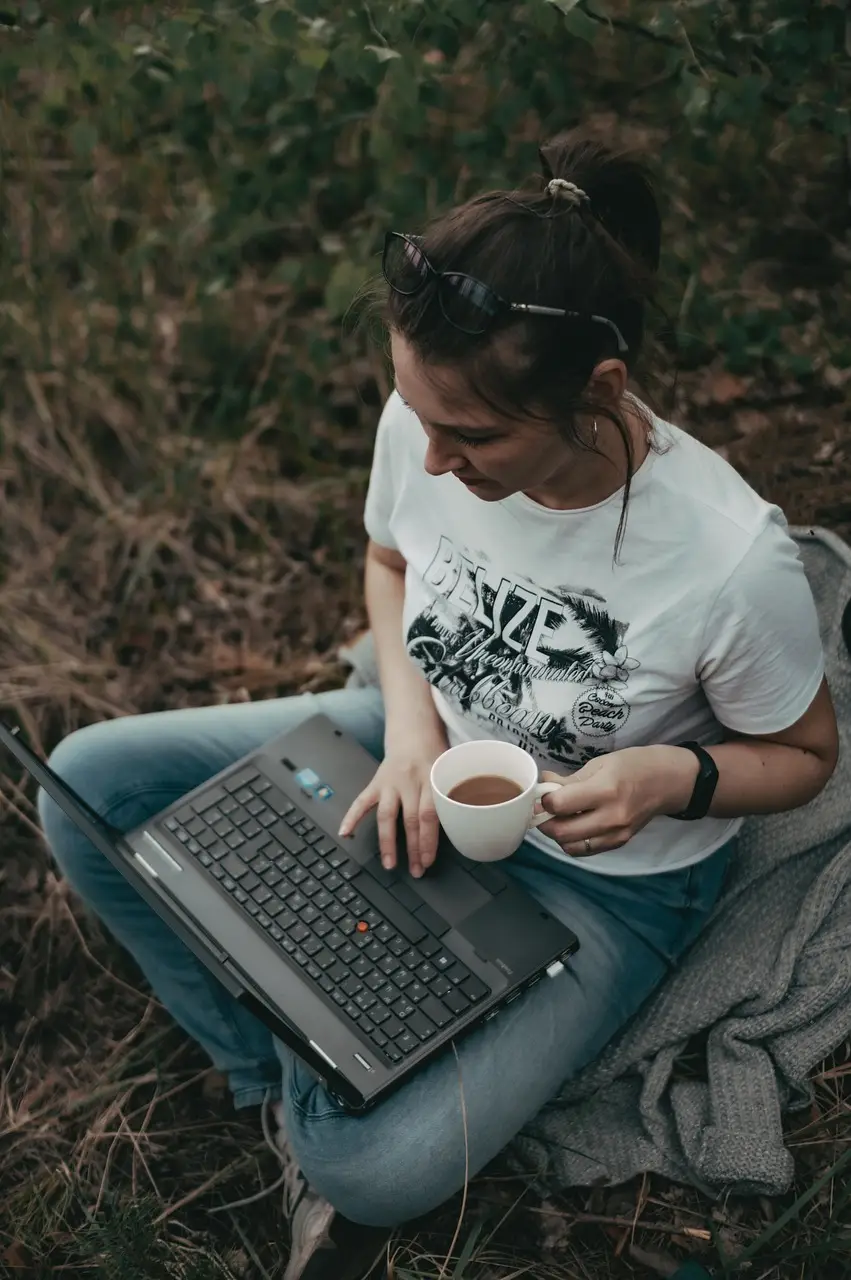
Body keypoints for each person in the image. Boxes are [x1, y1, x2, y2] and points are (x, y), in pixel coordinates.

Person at [39, 131, 838, 1279]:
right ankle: (278, 1086)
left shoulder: (726, 557)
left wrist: (678, 776)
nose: (430, 454)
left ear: (597, 390)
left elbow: (805, 751)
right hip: (423, 744)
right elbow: (388, 562)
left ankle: (324, 1100)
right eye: (416, 416)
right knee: (87, 784)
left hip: (603, 882)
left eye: (471, 438)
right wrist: (409, 731)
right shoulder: (428, 424)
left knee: (381, 1167)